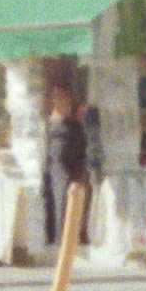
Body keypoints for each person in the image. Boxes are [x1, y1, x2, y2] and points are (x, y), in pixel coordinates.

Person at [46, 79, 93, 248]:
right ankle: (61, 237)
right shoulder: (54, 119)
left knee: (75, 200)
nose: (60, 99)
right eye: (56, 96)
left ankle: (74, 234)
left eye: (63, 96)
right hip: (59, 164)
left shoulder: (72, 120)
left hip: (75, 161)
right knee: (61, 200)